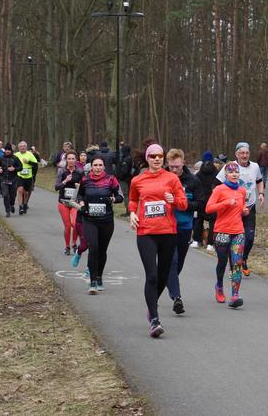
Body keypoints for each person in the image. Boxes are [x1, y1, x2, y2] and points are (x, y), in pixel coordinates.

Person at [128, 143, 187, 337]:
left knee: (163, 275)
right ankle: (154, 319)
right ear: (147, 158)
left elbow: (183, 203)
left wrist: (173, 201)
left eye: (159, 156)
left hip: (168, 233)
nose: (156, 159)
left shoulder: (172, 179)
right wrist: (131, 214)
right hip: (145, 233)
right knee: (151, 276)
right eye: (152, 156)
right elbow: (133, 200)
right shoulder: (138, 180)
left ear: (163, 158)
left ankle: (151, 306)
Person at [215, 142, 264, 276]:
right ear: (236, 154)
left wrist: (261, 194)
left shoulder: (255, 167)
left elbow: (259, 180)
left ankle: (242, 259)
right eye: (242, 153)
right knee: (235, 238)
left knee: (249, 238)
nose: (245, 155)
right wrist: (224, 200)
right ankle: (234, 264)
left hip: (249, 207)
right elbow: (217, 184)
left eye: (247, 153)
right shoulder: (230, 167)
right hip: (233, 209)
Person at [166, 149, 204, 315]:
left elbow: (201, 203)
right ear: (167, 164)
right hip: (165, 227)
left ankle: (166, 282)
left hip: (184, 226)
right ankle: (177, 298)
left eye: (177, 166)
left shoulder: (193, 181)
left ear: (183, 163)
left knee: (178, 264)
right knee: (171, 262)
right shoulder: (162, 179)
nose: (174, 170)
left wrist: (183, 204)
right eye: (171, 166)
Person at [77, 155, 124, 294]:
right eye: (95, 165)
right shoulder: (85, 180)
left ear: (104, 167)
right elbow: (79, 195)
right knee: (93, 248)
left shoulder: (111, 179)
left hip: (106, 221)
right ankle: (92, 282)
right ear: (91, 167)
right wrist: (81, 204)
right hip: (89, 219)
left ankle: (99, 277)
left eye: (100, 165)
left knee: (102, 251)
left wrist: (113, 199)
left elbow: (120, 197)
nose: (97, 168)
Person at [206, 162, 248, 308]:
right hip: (221, 231)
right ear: (226, 175)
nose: (234, 174)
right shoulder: (219, 190)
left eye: (236, 172)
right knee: (222, 262)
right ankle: (219, 286)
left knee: (237, 263)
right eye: (231, 172)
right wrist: (225, 203)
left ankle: (235, 295)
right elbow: (209, 208)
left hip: (238, 232)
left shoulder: (242, 191)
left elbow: (242, 206)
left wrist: (244, 210)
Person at [55, 151, 83, 255]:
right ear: (66, 160)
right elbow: (56, 187)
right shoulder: (61, 171)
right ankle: (67, 246)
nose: (71, 160)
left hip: (75, 202)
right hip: (63, 202)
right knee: (67, 226)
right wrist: (65, 181)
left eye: (73, 159)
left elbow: (83, 188)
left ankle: (74, 243)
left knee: (75, 224)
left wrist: (79, 186)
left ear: (76, 160)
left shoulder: (80, 172)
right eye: (69, 158)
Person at [192, 150, 218, 251]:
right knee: (213, 222)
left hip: (201, 200)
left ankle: (196, 240)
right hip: (213, 200)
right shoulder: (217, 173)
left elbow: (195, 186)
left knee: (199, 220)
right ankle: (210, 244)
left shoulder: (198, 174)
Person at [0, 143, 22, 217]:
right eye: (6, 150)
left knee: (12, 195)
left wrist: (14, 169)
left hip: (13, 179)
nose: (7, 151)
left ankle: (11, 205)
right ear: (4, 150)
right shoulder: (1, 158)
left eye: (9, 150)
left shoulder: (15, 158)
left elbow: (21, 167)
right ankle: (7, 211)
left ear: (11, 150)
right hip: (4, 179)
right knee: (5, 195)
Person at [14, 141, 38, 215]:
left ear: (26, 147)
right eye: (21, 146)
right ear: (19, 148)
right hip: (19, 175)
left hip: (28, 176)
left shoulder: (30, 154)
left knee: (26, 193)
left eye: (24, 146)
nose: (22, 147)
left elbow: (36, 165)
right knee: (20, 190)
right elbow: (12, 164)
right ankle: (20, 207)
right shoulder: (15, 155)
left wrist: (28, 162)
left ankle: (25, 204)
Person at [117, 144, 134, 216]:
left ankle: (128, 211)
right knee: (129, 195)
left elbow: (124, 171)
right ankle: (130, 210)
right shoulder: (131, 158)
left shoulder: (125, 159)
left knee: (125, 195)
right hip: (130, 179)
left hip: (125, 180)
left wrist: (119, 176)